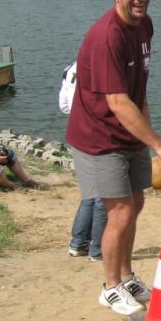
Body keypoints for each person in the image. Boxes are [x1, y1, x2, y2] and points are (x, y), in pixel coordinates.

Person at [66, 0, 161, 316]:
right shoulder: (107, 36)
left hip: (129, 133)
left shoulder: (144, 25)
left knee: (135, 205)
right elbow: (118, 102)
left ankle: (125, 276)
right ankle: (109, 288)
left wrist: (145, 137)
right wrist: (160, 145)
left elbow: (138, 90)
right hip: (99, 138)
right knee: (120, 213)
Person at [60, 61, 107, 262]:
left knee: (90, 194)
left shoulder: (70, 68)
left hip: (77, 132)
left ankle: (78, 243)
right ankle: (97, 249)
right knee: (103, 195)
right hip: (97, 134)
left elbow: (63, 105)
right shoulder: (101, 67)